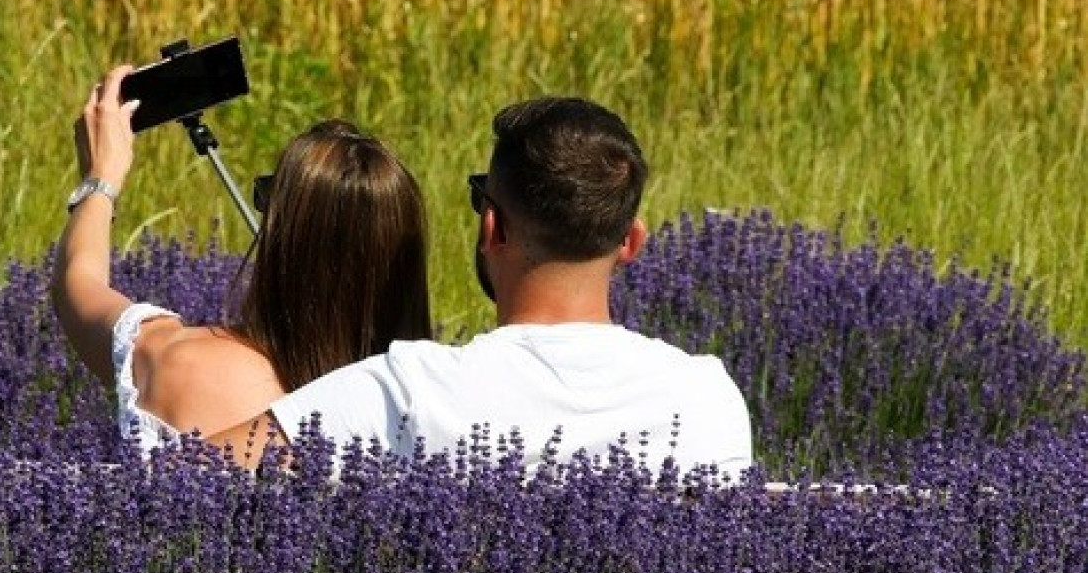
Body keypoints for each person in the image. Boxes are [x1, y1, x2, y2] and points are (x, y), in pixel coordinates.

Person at [211, 96, 754, 481]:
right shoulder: (708, 397)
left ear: (491, 227)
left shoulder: (405, 391)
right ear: (630, 242)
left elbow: (174, 484)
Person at [53, 65, 432, 454]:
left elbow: (78, 285)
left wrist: (101, 179)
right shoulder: (436, 407)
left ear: (287, 239)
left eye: (269, 196)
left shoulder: (190, 365)